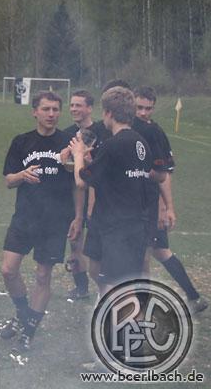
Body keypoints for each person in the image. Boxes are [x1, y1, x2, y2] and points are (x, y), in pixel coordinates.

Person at [0, 91, 84, 351]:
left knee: (42, 276)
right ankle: (22, 313)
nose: (51, 114)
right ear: (35, 112)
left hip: (55, 221)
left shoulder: (69, 143)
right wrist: (22, 175)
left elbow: (78, 185)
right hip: (25, 217)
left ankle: (28, 331)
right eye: (46, 109)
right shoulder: (21, 141)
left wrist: (78, 217)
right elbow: (8, 180)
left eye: (55, 109)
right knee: (8, 270)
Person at [69, 86, 166, 296]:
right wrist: (92, 163)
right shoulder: (140, 142)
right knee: (97, 271)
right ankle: (115, 308)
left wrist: (77, 155)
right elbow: (119, 173)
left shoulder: (112, 145)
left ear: (109, 113)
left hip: (119, 227)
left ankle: (124, 313)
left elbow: (81, 182)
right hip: (118, 222)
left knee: (117, 286)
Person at [133, 86, 207, 313]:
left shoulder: (154, 132)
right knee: (157, 251)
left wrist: (166, 208)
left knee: (146, 255)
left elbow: (165, 173)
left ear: (153, 108)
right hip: (133, 202)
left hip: (148, 205)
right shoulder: (125, 127)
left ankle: (143, 306)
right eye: (139, 107)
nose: (143, 113)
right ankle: (194, 297)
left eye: (148, 108)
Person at [62, 90, 111, 301]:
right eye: (72, 105)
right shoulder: (67, 133)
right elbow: (67, 166)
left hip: (96, 196)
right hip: (74, 194)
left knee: (95, 248)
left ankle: (105, 287)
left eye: (78, 105)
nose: (74, 109)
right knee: (75, 242)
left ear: (89, 108)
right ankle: (81, 287)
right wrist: (64, 160)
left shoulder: (102, 131)